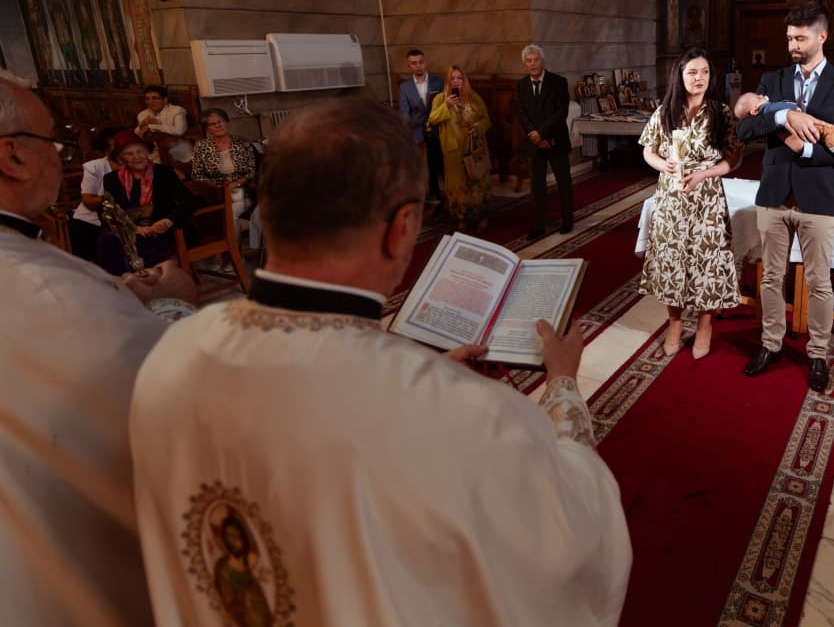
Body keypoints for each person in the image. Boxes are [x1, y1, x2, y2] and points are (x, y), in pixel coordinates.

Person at [129, 99, 632, 626]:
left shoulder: (172, 354)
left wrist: (424, 379)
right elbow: (572, 534)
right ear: (402, 227)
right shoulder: (463, 412)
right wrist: (563, 386)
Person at [0, 71, 195, 627]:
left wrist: (119, 297)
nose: (57, 157)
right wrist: (173, 305)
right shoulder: (47, 288)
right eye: (52, 143)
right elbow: (172, 397)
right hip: (71, 573)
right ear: (13, 156)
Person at [735, 2, 834, 391]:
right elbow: (744, 129)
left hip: (819, 197)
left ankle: (819, 354)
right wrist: (783, 116)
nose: (792, 45)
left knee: (819, 281)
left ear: (821, 36)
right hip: (775, 196)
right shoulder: (772, 80)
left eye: (800, 38)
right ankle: (770, 344)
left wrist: (808, 150)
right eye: (789, 38)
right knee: (771, 278)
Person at [639, 47, 743, 360]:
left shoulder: (720, 112)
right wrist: (663, 165)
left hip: (707, 200)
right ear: (680, 75)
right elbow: (648, 150)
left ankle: (704, 326)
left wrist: (704, 174)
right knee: (672, 262)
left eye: (705, 72)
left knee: (707, 264)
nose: (700, 78)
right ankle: (674, 323)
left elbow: (734, 159)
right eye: (693, 72)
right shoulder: (665, 110)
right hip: (671, 199)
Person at [96, 131, 195, 275]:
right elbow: (105, 211)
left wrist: (168, 221)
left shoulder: (164, 172)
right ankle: (124, 284)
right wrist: (132, 229)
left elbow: (189, 201)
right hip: (129, 229)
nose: (136, 157)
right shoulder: (111, 179)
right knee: (108, 241)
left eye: (140, 151)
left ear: (147, 152)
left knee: (142, 245)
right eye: (129, 154)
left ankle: (146, 282)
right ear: (120, 158)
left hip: (161, 229)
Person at [517, 44, 574, 240]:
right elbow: (521, 113)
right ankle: (538, 225)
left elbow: (561, 112)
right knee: (537, 186)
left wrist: (542, 134)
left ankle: (567, 221)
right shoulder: (521, 85)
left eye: (536, 60)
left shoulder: (559, 82)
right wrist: (535, 136)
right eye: (529, 61)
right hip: (534, 143)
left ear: (542, 61)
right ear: (525, 64)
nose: (532, 64)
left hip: (555, 140)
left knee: (563, 182)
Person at [428, 65, 493, 231]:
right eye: (452, 78)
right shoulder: (440, 99)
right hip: (453, 151)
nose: (456, 81)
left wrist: (477, 127)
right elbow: (432, 119)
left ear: (464, 80)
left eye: (459, 78)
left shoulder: (474, 97)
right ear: (448, 81)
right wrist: (447, 105)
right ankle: (461, 217)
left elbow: (486, 120)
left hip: (474, 148)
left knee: (478, 181)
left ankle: (482, 215)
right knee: (457, 185)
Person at [397, 48, 446, 210]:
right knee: (428, 169)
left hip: (439, 130)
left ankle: (450, 197)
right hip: (419, 133)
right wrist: (422, 125)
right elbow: (405, 114)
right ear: (409, 65)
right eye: (414, 63)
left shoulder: (438, 82)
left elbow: (444, 107)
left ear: (425, 62)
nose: (418, 66)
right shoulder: (405, 87)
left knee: (443, 166)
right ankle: (435, 199)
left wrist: (433, 122)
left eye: (421, 62)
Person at [193, 107, 257, 223]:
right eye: (212, 124)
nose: (218, 125)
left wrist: (236, 183)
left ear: (227, 123)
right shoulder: (201, 147)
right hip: (215, 195)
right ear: (207, 129)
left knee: (230, 215)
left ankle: (238, 233)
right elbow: (198, 175)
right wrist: (217, 189)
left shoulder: (243, 143)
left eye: (220, 121)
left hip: (240, 193)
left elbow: (251, 171)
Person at [68, 125, 121, 259]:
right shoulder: (95, 166)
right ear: (106, 148)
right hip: (90, 222)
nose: (118, 148)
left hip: (124, 221)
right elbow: (88, 201)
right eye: (112, 145)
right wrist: (114, 199)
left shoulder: (138, 163)